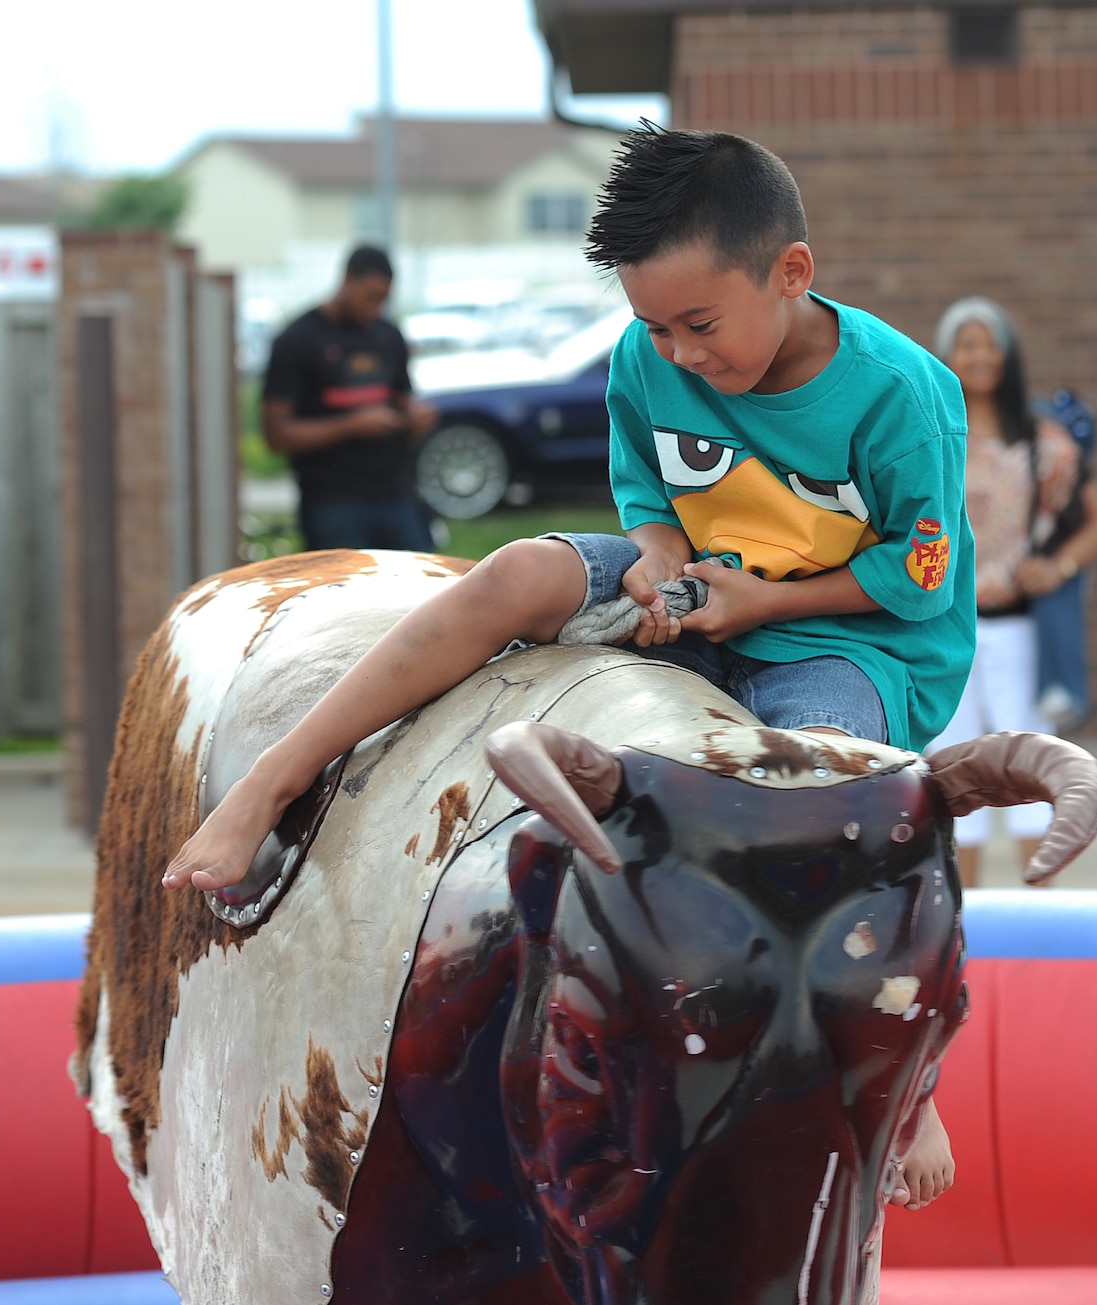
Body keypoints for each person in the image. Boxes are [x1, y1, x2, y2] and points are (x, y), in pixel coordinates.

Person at [166, 125, 975, 1209]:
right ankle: (277, 778)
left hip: (845, 632)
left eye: (700, 324)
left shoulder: (899, 395)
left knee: (833, 788)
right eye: (652, 326)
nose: (679, 353)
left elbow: (915, 581)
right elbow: (648, 502)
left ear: (790, 274)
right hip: (699, 597)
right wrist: (658, 566)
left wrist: (762, 602)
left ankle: (902, 1083)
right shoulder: (648, 357)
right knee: (512, 576)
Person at [926, 298, 1097, 885]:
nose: (979, 356)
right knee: (953, 768)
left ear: (1007, 355)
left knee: (1031, 761)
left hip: (1017, 627)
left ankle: (1042, 909)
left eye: (990, 343)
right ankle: (965, 916)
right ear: (946, 354)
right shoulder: (932, 432)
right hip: (945, 629)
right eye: (967, 344)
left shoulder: (1041, 441)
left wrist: (1058, 566)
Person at [263, 245, 439, 551]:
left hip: (395, 491)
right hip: (332, 500)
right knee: (344, 594)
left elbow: (401, 400)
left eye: (383, 299)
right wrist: (351, 426)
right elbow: (277, 435)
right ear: (347, 280)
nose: (375, 307)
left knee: (425, 588)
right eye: (370, 296)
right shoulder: (298, 339)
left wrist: (415, 418)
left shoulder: (387, 335)